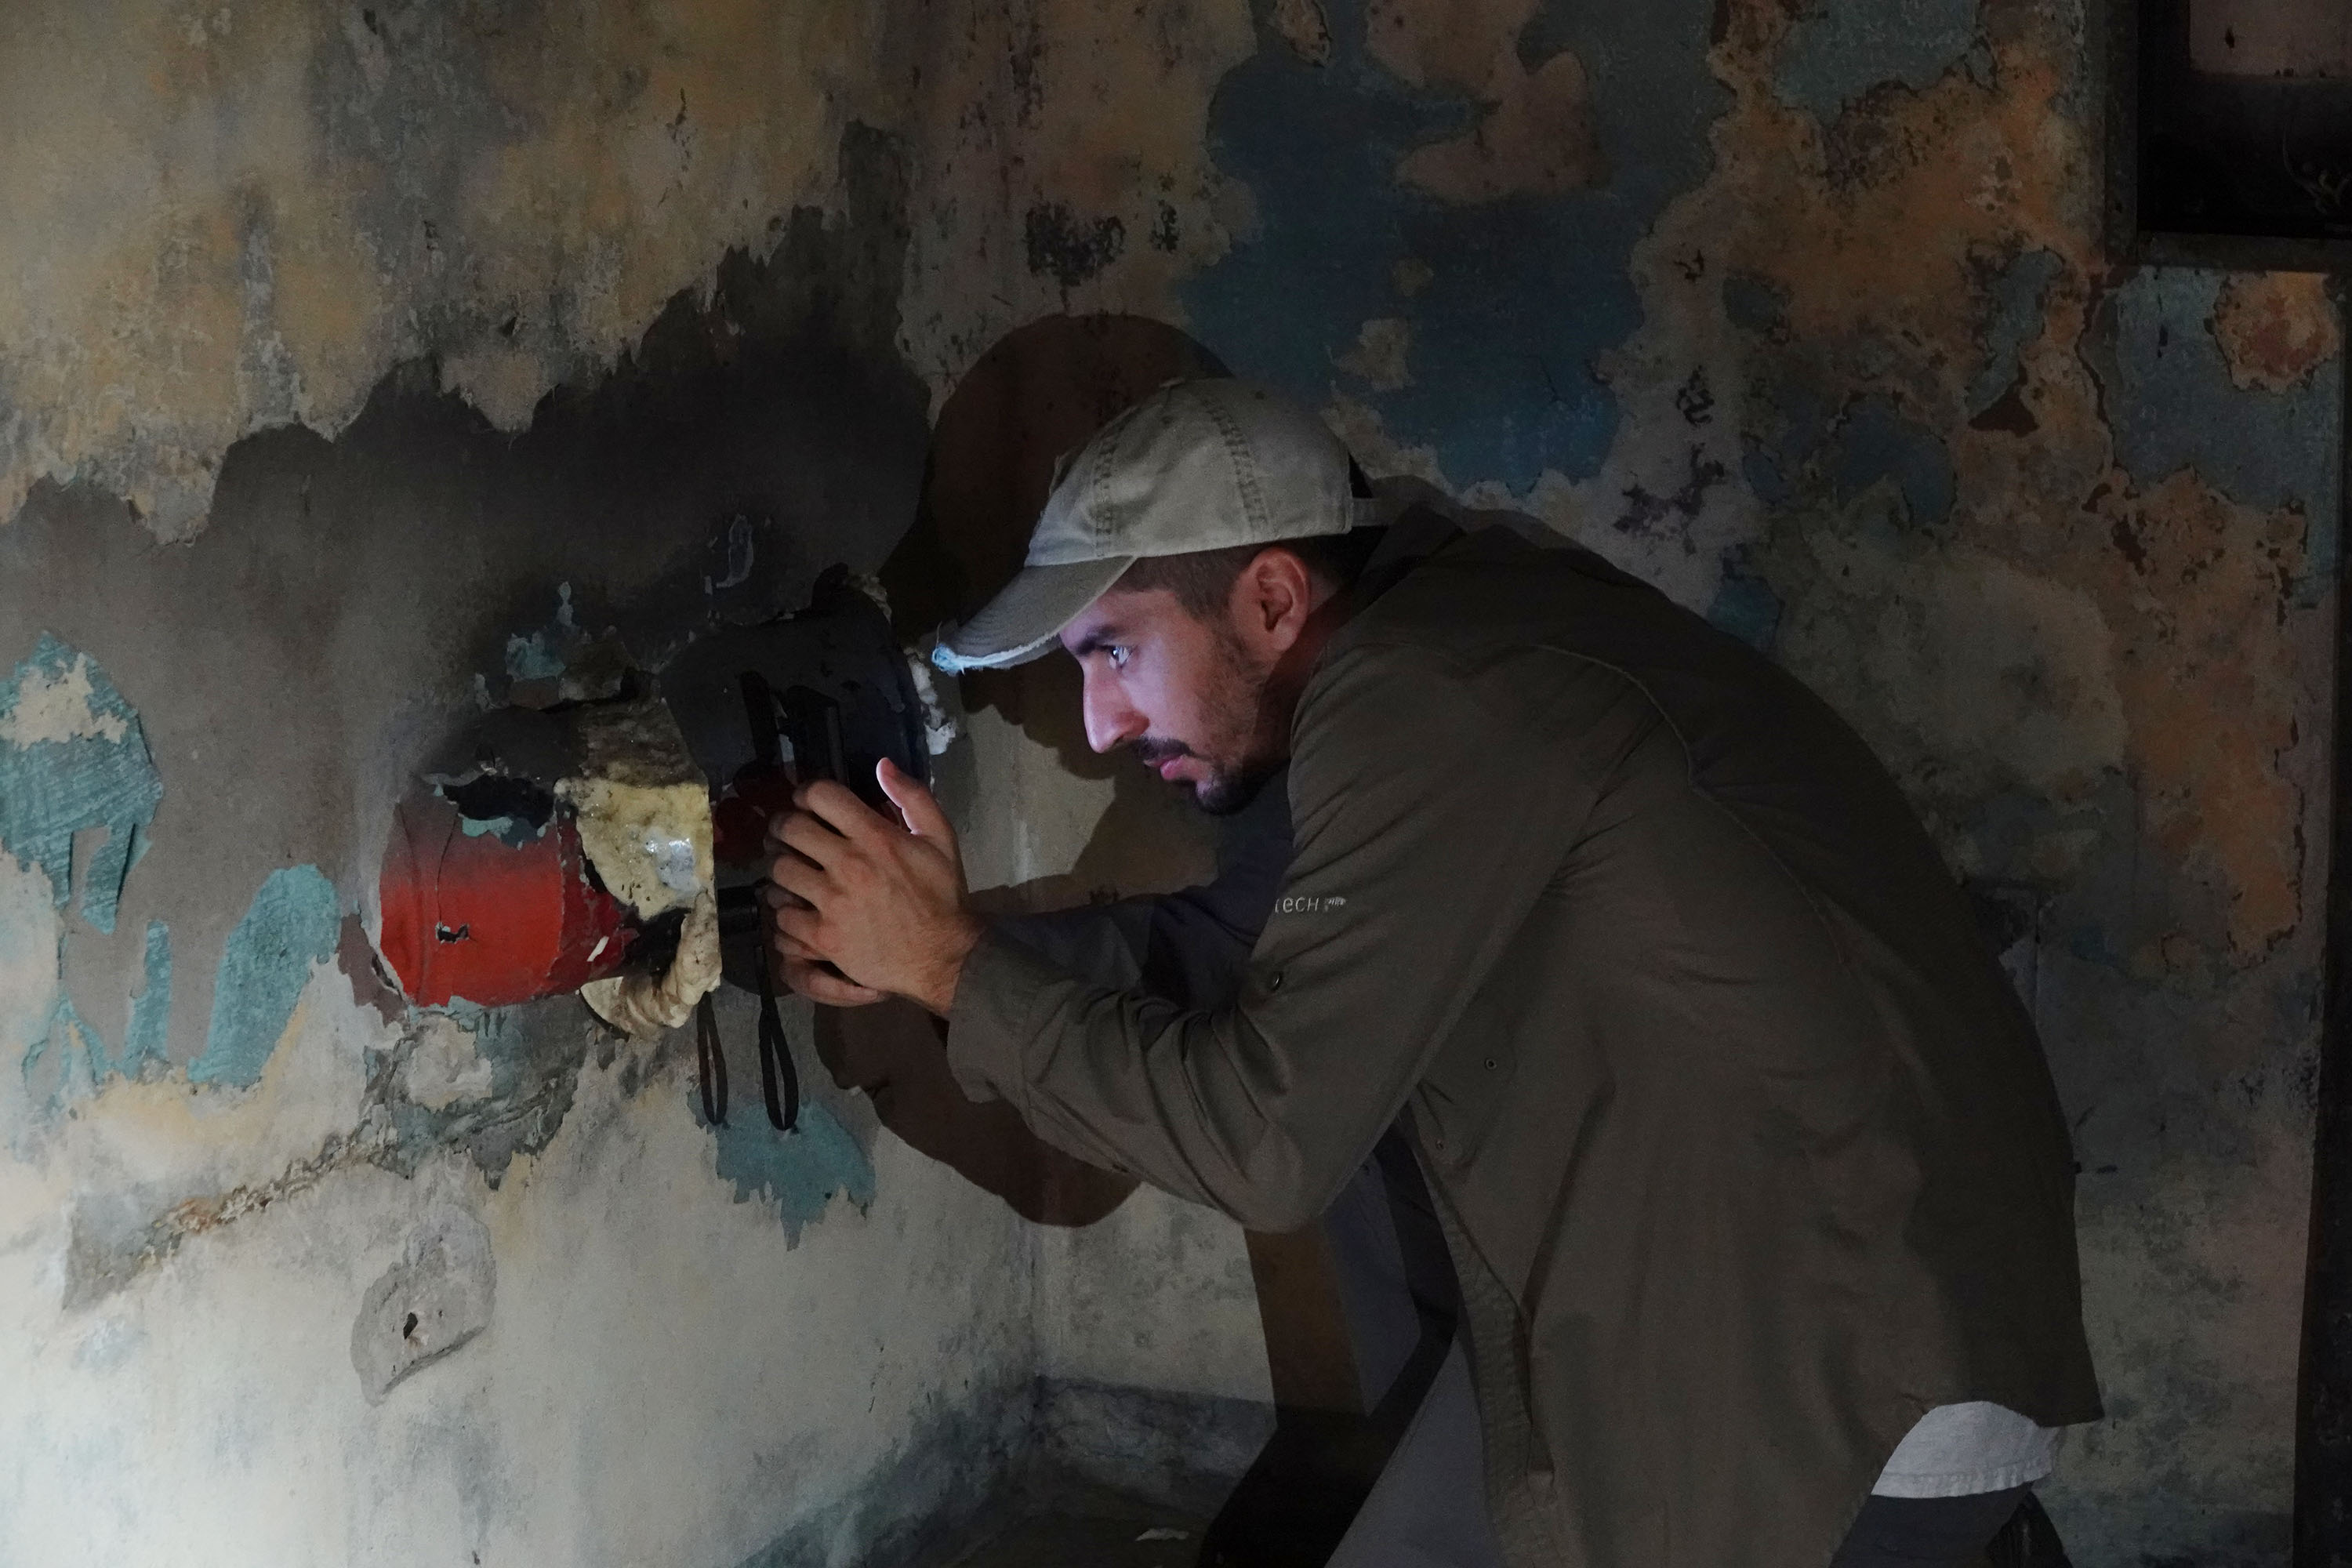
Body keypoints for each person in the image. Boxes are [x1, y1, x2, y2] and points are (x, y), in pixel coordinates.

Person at [760, 379, 2102, 1567]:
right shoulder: (1448, 630)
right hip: (1764, 1291)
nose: (1102, 725)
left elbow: (1267, 1140)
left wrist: (951, 968)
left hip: (1819, 1370)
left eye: (1113, 649)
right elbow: (1250, 949)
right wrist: (939, 951)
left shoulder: (1427, 693)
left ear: (1273, 596)